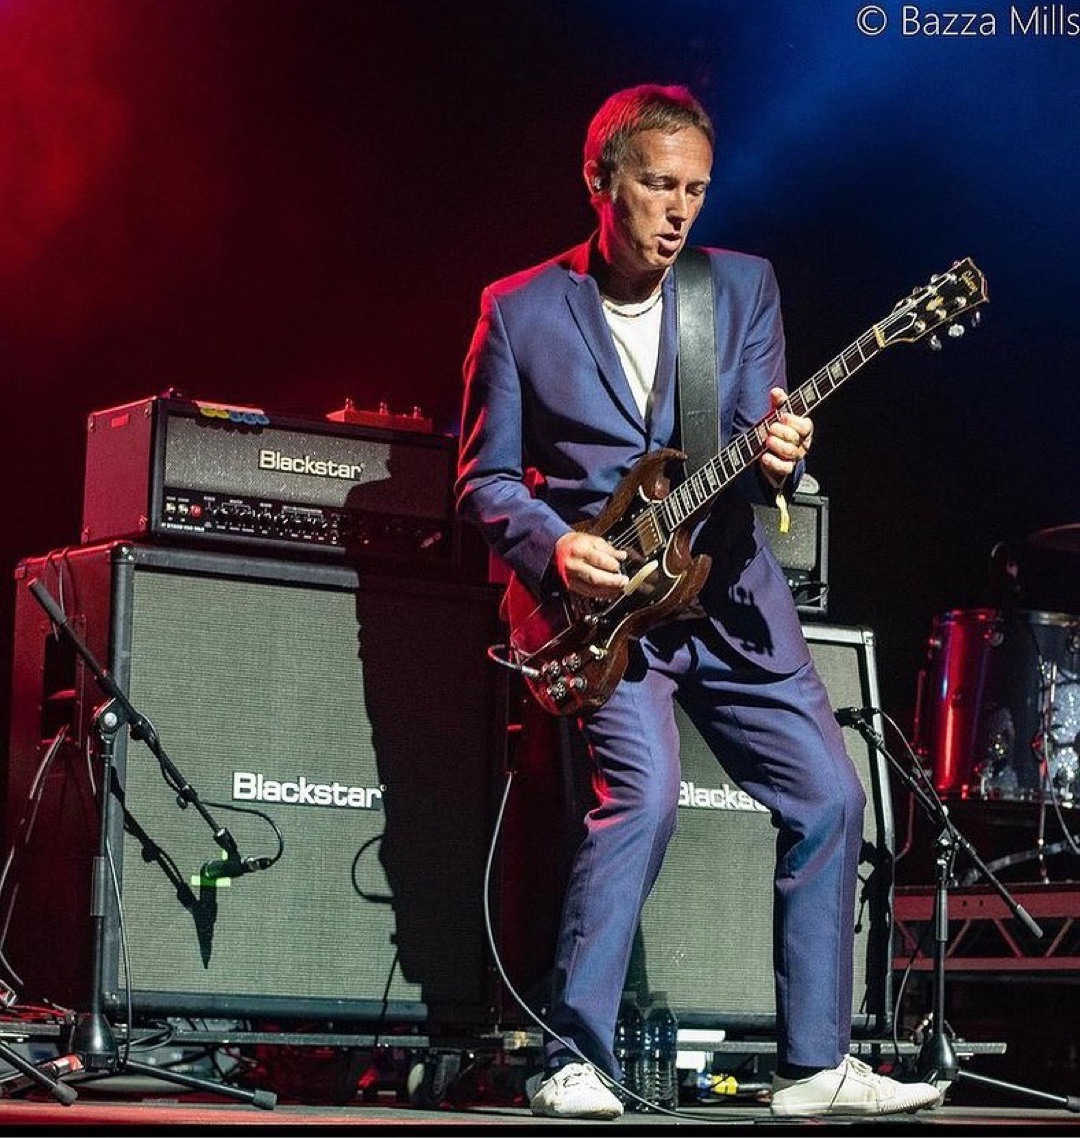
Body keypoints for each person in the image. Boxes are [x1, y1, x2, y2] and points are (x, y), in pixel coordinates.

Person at [454, 83, 941, 1121]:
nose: (680, 210)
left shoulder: (742, 289)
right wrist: (561, 545)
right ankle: (572, 1058)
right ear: (601, 182)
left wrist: (782, 454)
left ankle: (815, 1064)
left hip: (728, 599)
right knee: (645, 801)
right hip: (609, 616)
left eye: (696, 190)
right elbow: (484, 482)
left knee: (833, 799)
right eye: (658, 186)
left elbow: (762, 451)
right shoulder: (519, 310)